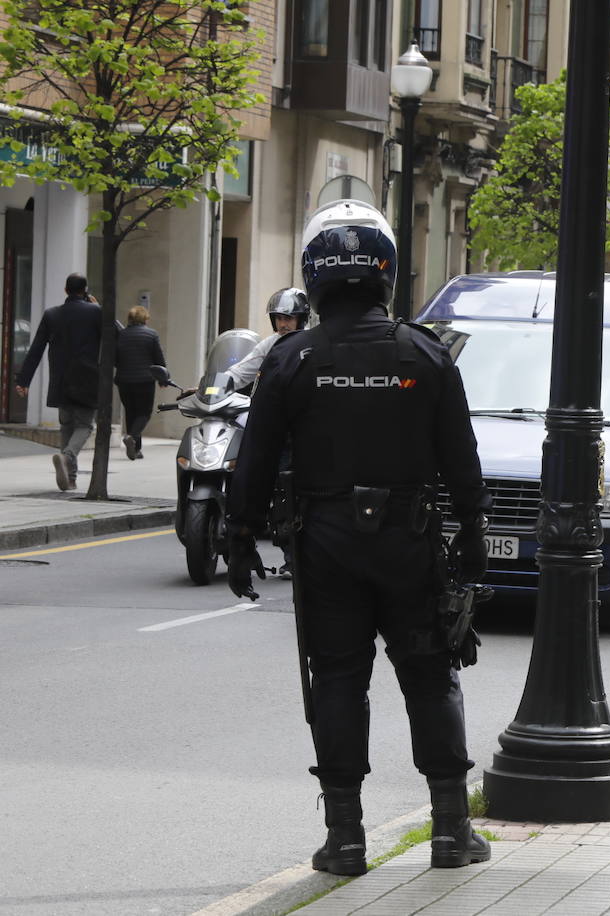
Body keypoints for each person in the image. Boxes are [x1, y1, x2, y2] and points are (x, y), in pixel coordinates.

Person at [224, 198, 492, 876]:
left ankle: (345, 839)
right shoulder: (424, 355)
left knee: (339, 680)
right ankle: (450, 831)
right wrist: (474, 535)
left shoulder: (291, 358)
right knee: (431, 678)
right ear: (386, 270)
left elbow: (254, 459)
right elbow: (462, 457)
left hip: (326, 543)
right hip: (410, 539)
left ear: (314, 274)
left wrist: (239, 535)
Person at [14, 273, 102, 491]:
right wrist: (99, 307)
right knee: (84, 426)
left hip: (61, 380)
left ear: (65, 290)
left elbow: (36, 349)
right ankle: (68, 456)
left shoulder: (52, 314)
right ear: (85, 290)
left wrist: (24, 380)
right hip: (87, 379)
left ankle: (70, 479)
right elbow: (117, 333)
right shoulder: (96, 312)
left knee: (67, 426)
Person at [226, 288, 311, 393]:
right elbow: (240, 371)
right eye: (279, 318)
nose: (282, 324)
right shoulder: (269, 344)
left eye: (288, 318)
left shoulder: (313, 342)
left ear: (301, 319)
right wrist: (218, 385)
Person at [114, 305, 168, 460]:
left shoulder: (121, 335)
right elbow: (159, 359)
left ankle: (136, 449)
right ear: (145, 319)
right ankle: (131, 436)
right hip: (145, 381)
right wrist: (163, 378)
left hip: (124, 381)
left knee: (131, 412)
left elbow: (115, 359)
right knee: (144, 413)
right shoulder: (151, 335)